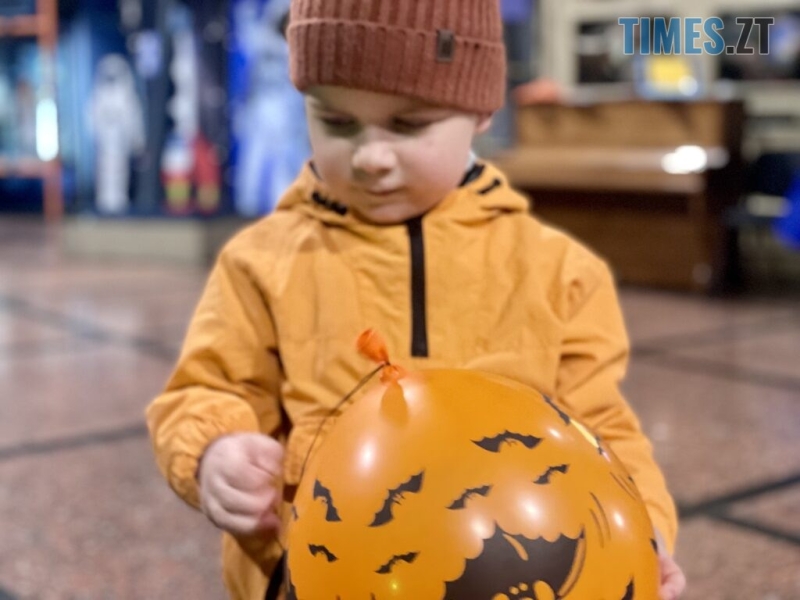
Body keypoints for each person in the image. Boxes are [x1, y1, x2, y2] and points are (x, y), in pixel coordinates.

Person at [145, 1, 686, 599]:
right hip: (317, 575)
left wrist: (646, 528)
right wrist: (213, 452)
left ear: (480, 112)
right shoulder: (261, 262)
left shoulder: (561, 272)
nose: (371, 157)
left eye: (409, 125)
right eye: (337, 121)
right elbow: (205, 389)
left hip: (509, 574)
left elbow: (602, 429)